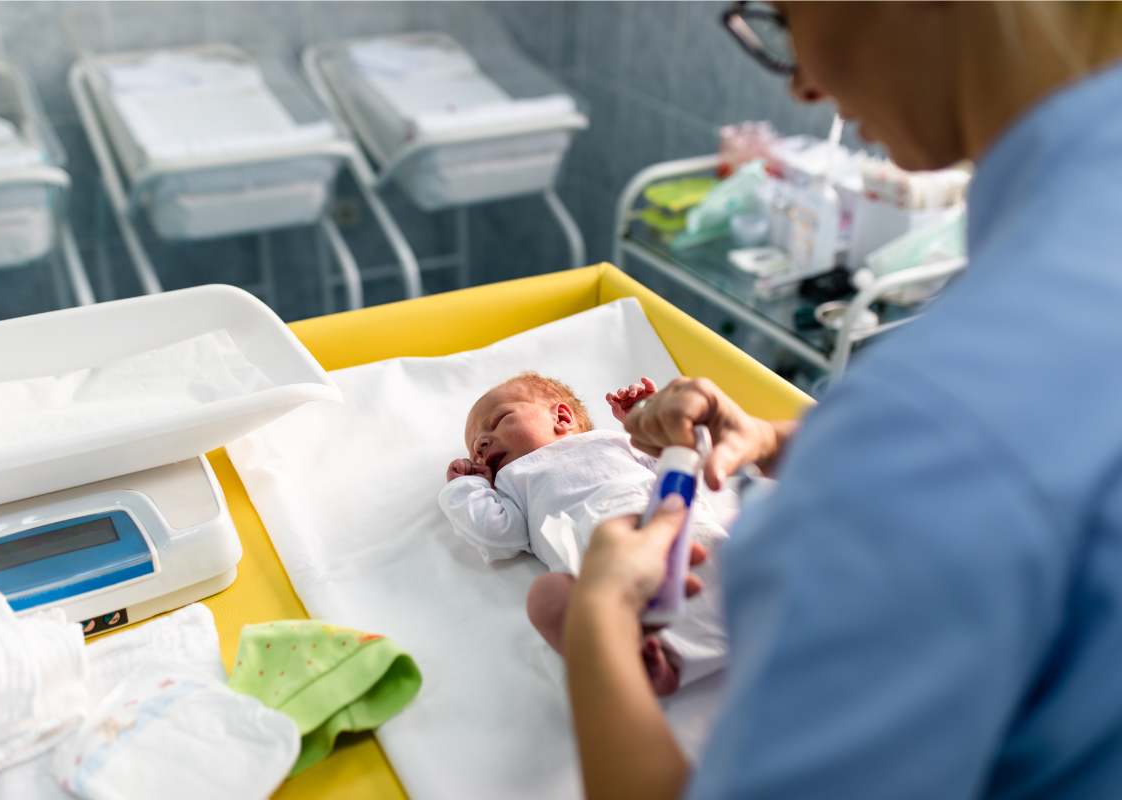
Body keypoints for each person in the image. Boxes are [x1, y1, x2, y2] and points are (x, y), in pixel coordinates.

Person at [562, 3, 1122, 798]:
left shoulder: (925, 429)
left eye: (784, 17)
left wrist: (596, 623)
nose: (802, 86)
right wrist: (784, 441)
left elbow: (959, 457)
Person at [438, 372, 731, 695]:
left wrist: (646, 419)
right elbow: (494, 533)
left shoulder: (615, 441)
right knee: (546, 598)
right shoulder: (511, 482)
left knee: (736, 552)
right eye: (475, 449)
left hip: (677, 530)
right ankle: (631, 661)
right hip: (604, 574)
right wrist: (468, 487)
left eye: (499, 420)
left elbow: (681, 458)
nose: (480, 443)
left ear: (561, 417)